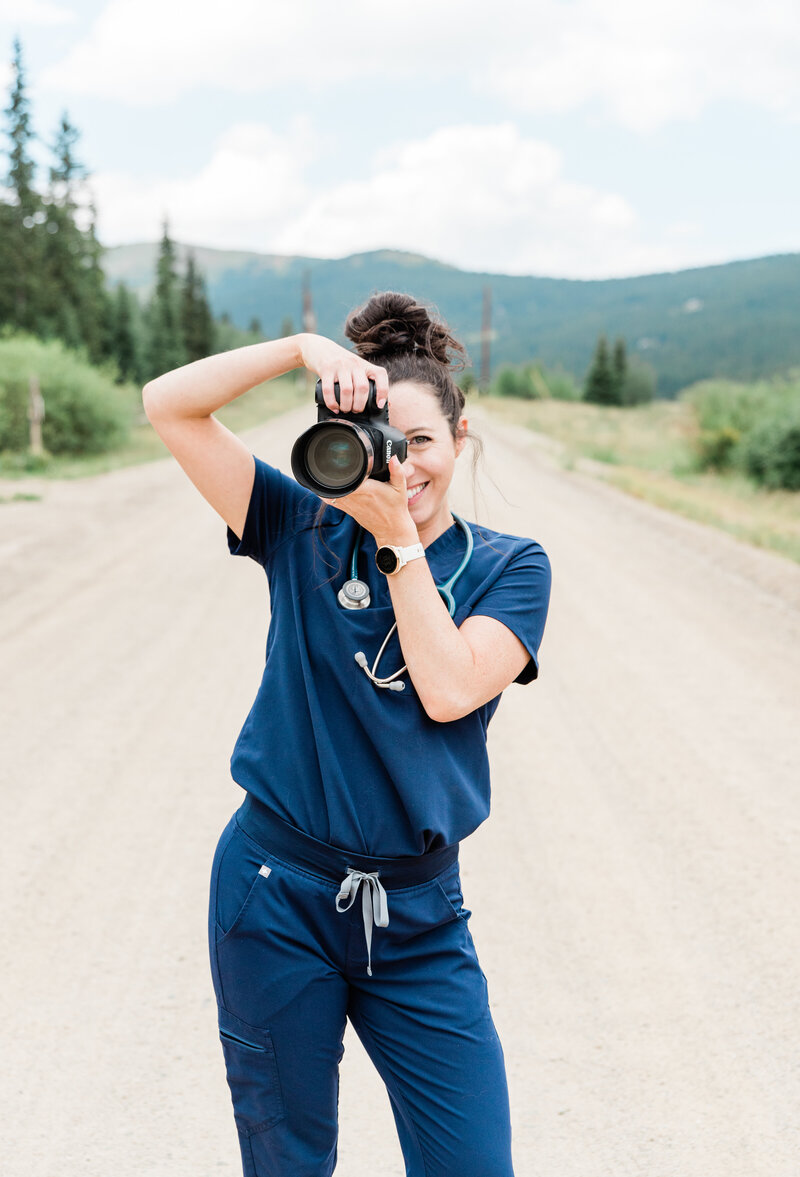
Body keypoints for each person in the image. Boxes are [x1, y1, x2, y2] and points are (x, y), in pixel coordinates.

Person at [142, 291, 551, 1177]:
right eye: (379, 443)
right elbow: (169, 403)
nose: (400, 467)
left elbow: (447, 690)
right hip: (274, 892)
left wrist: (398, 542)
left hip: (418, 916)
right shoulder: (297, 524)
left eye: (422, 444)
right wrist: (296, 347)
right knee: (288, 1162)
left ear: (461, 436)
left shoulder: (511, 567)